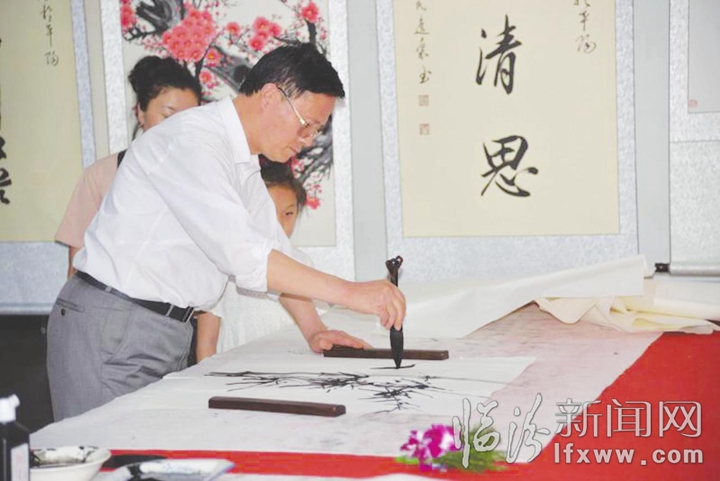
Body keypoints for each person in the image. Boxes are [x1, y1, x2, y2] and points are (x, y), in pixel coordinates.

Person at [46, 43, 406, 421]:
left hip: (160, 328)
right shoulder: (193, 141)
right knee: (109, 452)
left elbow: (272, 249)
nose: (307, 140)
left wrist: (315, 329)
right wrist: (350, 293)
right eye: (307, 125)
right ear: (271, 96)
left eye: (316, 131)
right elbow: (247, 258)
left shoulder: (241, 160)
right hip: (117, 326)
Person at [55, 56, 203, 277]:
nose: (178, 128)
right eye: (168, 116)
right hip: (110, 297)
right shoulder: (102, 175)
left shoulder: (205, 178)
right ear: (141, 111)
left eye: (189, 119)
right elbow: (77, 266)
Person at [195, 160, 315, 361]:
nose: (279, 224)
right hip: (233, 373)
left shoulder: (302, 263)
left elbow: (315, 330)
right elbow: (206, 343)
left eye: (288, 213)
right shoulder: (224, 264)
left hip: (290, 369)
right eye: (268, 213)